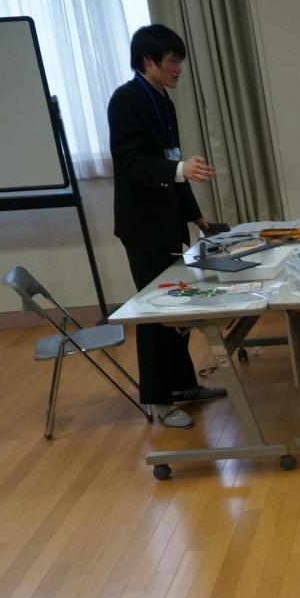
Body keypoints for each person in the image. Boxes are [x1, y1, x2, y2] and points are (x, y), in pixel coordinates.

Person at [108, 24, 224, 430]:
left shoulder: (164, 101)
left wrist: (195, 216)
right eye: (171, 61)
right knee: (156, 313)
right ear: (148, 61)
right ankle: (158, 400)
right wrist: (178, 169)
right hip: (143, 227)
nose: (178, 68)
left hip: (169, 222)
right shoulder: (125, 100)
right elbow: (129, 162)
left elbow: (176, 167)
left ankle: (184, 386)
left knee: (178, 308)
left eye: (179, 60)